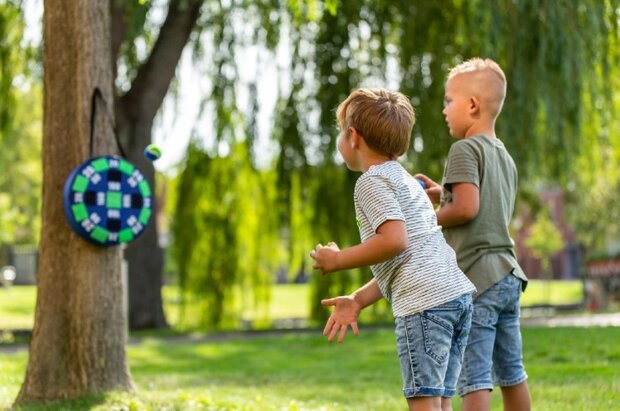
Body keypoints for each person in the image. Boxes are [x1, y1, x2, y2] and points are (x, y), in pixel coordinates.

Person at [310, 87, 476, 411]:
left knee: (424, 402)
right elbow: (404, 258)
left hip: (425, 306)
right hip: (455, 296)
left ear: (353, 137)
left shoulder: (370, 182)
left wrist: (339, 259)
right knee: (440, 402)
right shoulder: (403, 180)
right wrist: (357, 299)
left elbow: (394, 241)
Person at [415, 58, 532, 411]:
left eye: (449, 101)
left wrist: (428, 217)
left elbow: (466, 209)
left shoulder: (464, 149)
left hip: (478, 278)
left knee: (474, 375)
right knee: (512, 370)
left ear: (472, 105)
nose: (444, 109)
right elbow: (482, 200)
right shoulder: (503, 156)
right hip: (508, 274)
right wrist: (441, 193)